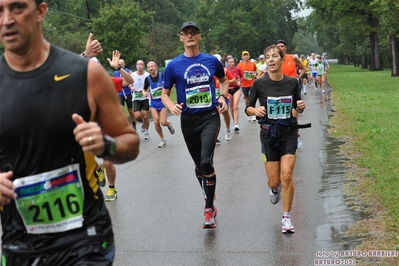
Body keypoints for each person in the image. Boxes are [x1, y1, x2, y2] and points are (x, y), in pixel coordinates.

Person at [0, 1, 140, 265]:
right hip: (21, 244)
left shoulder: (86, 73)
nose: (6, 19)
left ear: (41, 11)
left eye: (17, 7)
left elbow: (129, 141)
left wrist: (105, 145)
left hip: (85, 241)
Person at [161, 21, 228, 229]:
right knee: (199, 165)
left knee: (206, 162)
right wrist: (172, 106)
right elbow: (164, 94)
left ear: (199, 36)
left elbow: (224, 80)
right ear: (181, 37)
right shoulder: (173, 65)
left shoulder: (211, 60)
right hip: (188, 120)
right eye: (185, 33)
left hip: (209, 116)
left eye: (193, 33)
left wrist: (223, 97)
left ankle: (209, 209)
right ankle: (209, 192)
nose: (189, 36)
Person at [245, 44, 306, 234]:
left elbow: (297, 104)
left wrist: (301, 106)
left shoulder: (292, 82)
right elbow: (248, 107)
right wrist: (255, 110)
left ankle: (286, 218)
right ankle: (274, 189)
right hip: (268, 134)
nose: (270, 60)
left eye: (274, 56)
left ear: (282, 59)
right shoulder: (259, 83)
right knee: (274, 181)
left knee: (286, 175)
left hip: (288, 132)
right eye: (267, 57)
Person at [143, 61, 175, 148]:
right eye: (149, 67)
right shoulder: (147, 79)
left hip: (163, 102)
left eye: (152, 66)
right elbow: (144, 89)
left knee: (163, 122)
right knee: (156, 121)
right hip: (153, 103)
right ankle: (162, 140)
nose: (150, 68)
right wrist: (144, 93)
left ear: (156, 67)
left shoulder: (162, 75)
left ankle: (168, 124)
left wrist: (167, 95)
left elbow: (171, 85)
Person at [213, 54, 234, 143]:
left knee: (225, 113)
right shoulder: (209, 71)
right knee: (215, 114)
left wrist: (223, 82)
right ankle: (217, 135)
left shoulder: (224, 71)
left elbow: (233, 80)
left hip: (224, 95)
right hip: (214, 95)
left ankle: (228, 129)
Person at [114, 58, 136, 129]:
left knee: (130, 110)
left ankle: (133, 121)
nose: (120, 65)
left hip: (128, 93)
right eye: (119, 64)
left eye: (121, 64)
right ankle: (125, 124)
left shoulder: (128, 71)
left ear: (124, 64)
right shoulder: (116, 73)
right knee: (121, 109)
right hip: (120, 93)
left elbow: (130, 80)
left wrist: (130, 87)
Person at [132, 60, 151, 139]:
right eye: (138, 64)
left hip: (145, 98)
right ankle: (143, 122)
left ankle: (146, 132)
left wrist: (147, 91)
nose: (139, 65)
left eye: (141, 64)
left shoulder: (148, 75)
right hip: (136, 98)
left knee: (145, 115)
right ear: (136, 66)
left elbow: (151, 85)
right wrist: (131, 87)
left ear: (143, 66)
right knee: (137, 116)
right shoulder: (132, 75)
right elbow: (128, 83)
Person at [237, 50, 257, 121]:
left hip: (252, 83)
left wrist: (254, 74)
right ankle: (248, 112)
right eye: (244, 55)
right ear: (242, 56)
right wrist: (239, 80)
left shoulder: (252, 64)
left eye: (247, 55)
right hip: (244, 84)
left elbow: (255, 71)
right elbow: (238, 75)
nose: (246, 56)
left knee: (252, 98)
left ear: (249, 56)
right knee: (247, 99)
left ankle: (253, 114)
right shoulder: (239, 65)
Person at [225, 55, 243, 132]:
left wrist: (239, 81)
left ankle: (236, 123)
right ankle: (233, 120)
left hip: (236, 89)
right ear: (227, 63)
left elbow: (242, 76)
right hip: (228, 90)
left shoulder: (237, 69)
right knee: (231, 107)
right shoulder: (225, 70)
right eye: (230, 62)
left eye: (233, 62)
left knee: (235, 106)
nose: (232, 63)